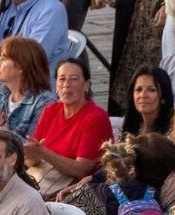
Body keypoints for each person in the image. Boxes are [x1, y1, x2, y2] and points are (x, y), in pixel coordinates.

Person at [25, 58, 114, 198]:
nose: (67, 85)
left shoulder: (96, 118)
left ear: (87, 85)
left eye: (74, 79)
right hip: (43, 180)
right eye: (62, 79)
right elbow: (31, 161)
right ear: (56, 86)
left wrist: (43, 153)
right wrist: (32, 154)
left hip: (75, 191)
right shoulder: (50, 111)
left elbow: (82, 170)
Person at [120, 67, 174, 141]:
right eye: (138, 89)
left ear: (163, 97)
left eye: (151, 90)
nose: (143, 95)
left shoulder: (173, 131)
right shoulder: (130, 125)